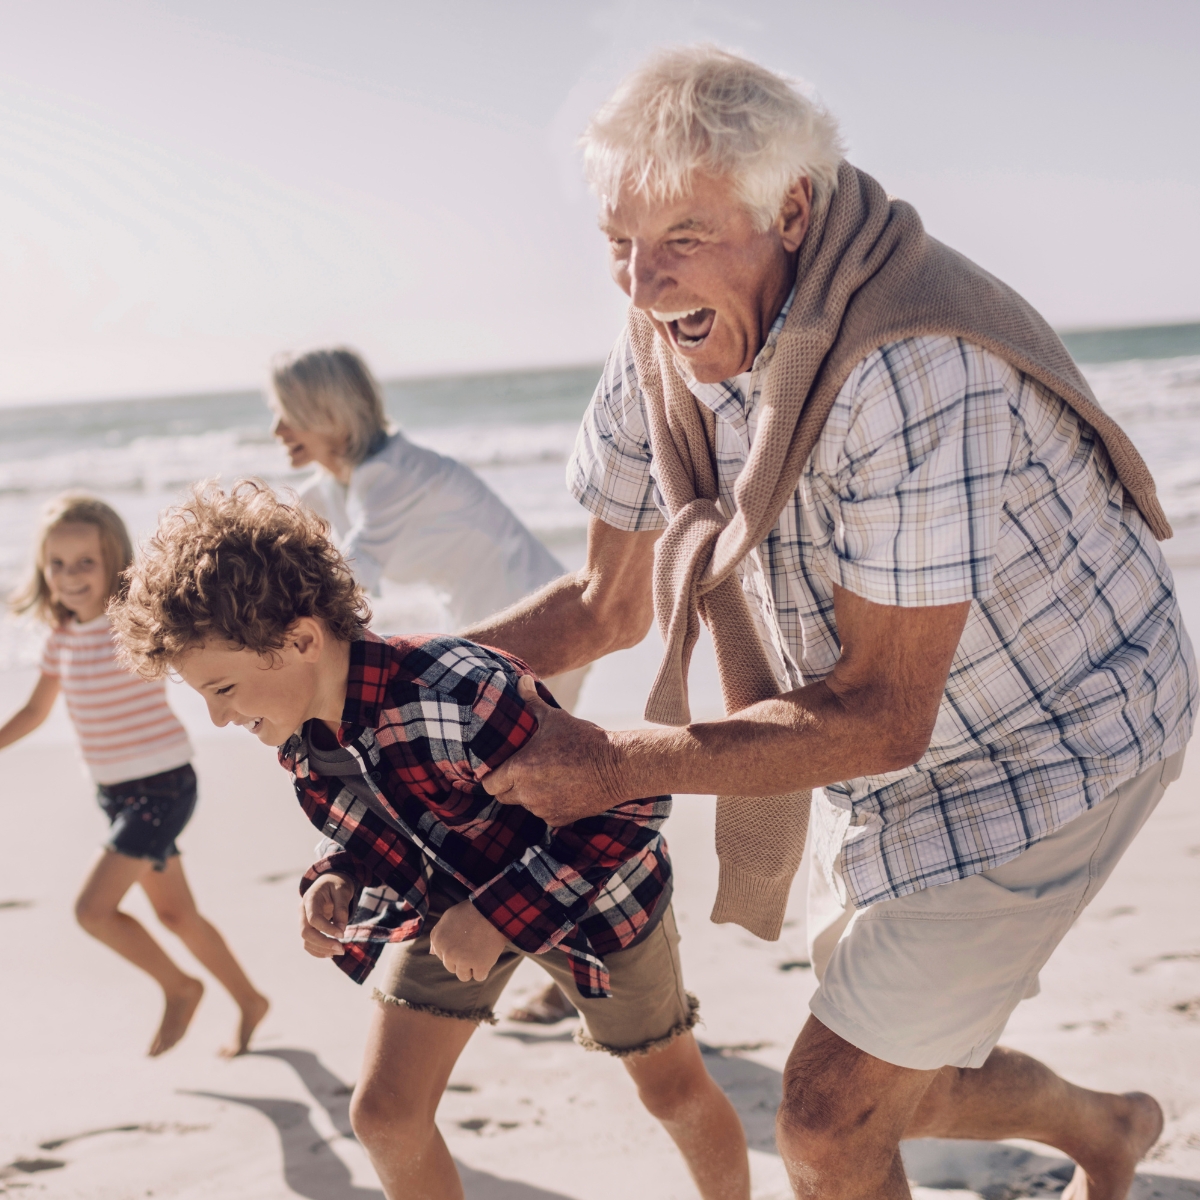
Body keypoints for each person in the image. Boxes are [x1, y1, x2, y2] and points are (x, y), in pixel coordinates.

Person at [454, 47, 1196, 1200]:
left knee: (829, 1116)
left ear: (790, 208)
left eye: (684, 237)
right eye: (619, 243)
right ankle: (1108, 1129)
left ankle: (1096, 1129)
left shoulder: (912, 364)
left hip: (1062, 733)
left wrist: (608, 764)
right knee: (894, 1073)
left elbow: (884, 714)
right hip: (875, 737)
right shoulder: (665, 340)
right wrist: (378, 694)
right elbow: (604, 605)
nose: (642, 283)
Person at [109, 481, 751, 1200]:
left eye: (222, 689)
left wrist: (496, 917)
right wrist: (338, 880)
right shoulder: (301, 736)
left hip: (598, 903)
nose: (219, 718)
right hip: (449, 906)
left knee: (672, 1091)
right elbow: (386, 828)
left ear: (300, 641)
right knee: (384, 1115)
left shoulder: (458, 693)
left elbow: (628, 803)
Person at [272, 345, 584, 1024]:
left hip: (534, 618)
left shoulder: (389, 473)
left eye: (288, 414)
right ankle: (543, 968)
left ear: (329, 412)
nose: (277, 431)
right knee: (505, 808)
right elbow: (311, 567)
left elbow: (349, 583)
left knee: (531, 805)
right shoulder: (338, 486)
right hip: (483, 628)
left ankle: (569, 974)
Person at [0, 493, 268, 1058]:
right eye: (57, 564)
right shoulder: (60, 639)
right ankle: (250, 999)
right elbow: (33, 712)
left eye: (85, 563)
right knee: (176, 914)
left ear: (113, 561)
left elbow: (199, 647)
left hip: (162, 785)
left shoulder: (134, 623)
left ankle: (180, 988)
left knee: (92, 911)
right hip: (114, 792)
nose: (69, 577)